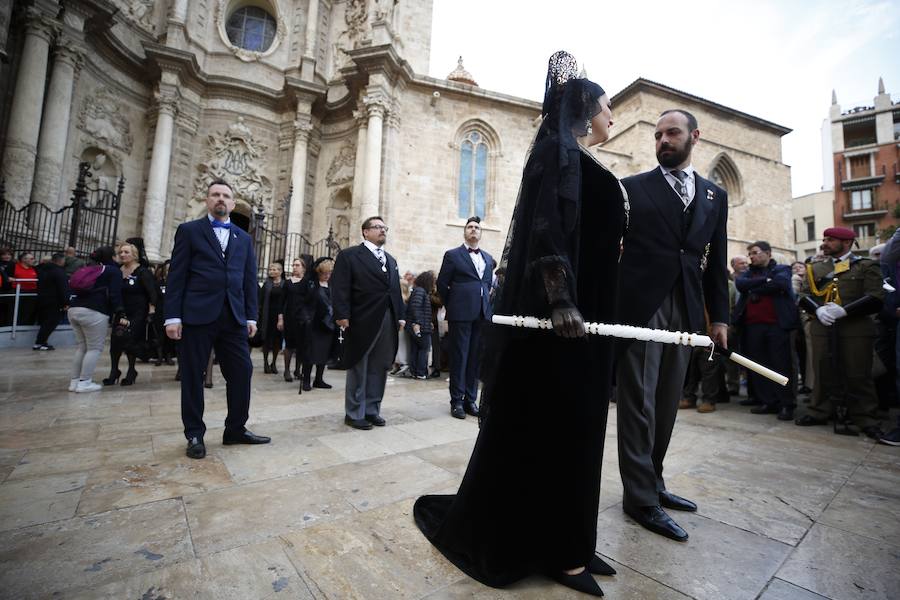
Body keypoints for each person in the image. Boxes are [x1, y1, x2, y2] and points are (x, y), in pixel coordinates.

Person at [414, 51, 624, 597]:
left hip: (591, 321)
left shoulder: (580, 157)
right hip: (562, 328)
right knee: (558, 434)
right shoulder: (556, 153)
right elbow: (547, 230)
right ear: (585, 109)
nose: (612, 118)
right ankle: (558, 552)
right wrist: (560, 299)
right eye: (607, 108)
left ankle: (573, 542)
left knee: (582, 434)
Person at [615, 108, 729, 543]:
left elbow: (715, 262)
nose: (662, 140)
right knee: (639, 404)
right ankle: (640, 498)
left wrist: (718, 317)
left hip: (688, 307)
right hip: (642, 309)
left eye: (672, 133)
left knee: (666, 402)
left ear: (693, 137)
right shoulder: (631, 189)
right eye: (657, 134)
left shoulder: (715, 196)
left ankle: (655, 483)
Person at [164, 179, 271, 459]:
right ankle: (195, 434)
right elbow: (177, 276)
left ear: (233, 204)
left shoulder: (243, 238)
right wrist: (172, 317)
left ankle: (235, 428)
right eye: (215, 195)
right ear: (207, 200)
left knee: (242, 371)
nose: (220, 199)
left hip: (233, 317)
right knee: (193, 375)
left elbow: (249, 280)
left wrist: (251, 316)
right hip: (197, 314)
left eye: (225, 196)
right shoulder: (189, 231)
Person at [796, 227, 884, 438]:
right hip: (822, 326)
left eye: (830, 240)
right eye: (824, 238)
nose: (824, 243)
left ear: (846, 242)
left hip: (855, 328)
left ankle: (865, 416)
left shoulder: (865, 266)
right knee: (822, 370)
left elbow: (875, 297)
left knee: (858, 372)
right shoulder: (815, 267)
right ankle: (819, 410)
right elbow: (803, 295)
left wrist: (845, 310)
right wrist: (817, 309)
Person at [331, 216, 404, 430]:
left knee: (380, 366)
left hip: (387, 318)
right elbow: (340, 287)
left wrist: (400, 315)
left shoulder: (390, 260)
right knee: (359, 365)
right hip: (360, 318)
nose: (383, 231)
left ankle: (372, 410)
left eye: (384, 228)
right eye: (378, 227)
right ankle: (354, 413)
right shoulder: (350, 255)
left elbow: (395, 291)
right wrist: (342, 314)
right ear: (365, 232)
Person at [437, 216, 495, 419]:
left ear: (481, 233)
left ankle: (471, 399)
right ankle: (457, 401)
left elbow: (487, 284)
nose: (473, 230)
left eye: (477, 227)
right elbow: (442, 284)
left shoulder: (488, 258)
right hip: (460, 313)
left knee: (475, 358)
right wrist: (453, 303)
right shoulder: (453, 255)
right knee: (460, 357)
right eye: (469, 227)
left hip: (481, 314)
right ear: (465, 232)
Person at [734, 241, 799, 420]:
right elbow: (740, 284)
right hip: (752, 327)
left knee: (781, 365)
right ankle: (768, 402)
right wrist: (764, 280)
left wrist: (755, 285)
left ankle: (786, 404)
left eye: (755, 253)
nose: (751, 257)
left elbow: (780, 284)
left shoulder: (782, 269)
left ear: (768, 253)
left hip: (777, 326)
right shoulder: (748, 273)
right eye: (750, 254)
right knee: (759, 366)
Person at [67, 246, 124, 392]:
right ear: (111, 257)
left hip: (74, 309)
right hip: (94, 311)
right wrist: (119, 311)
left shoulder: (89, 268)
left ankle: (74, 382)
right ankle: (85, 382)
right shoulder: (113, 271)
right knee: (94, 348)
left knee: (82, 347)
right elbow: (115, 294)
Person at [103, 242, 157, 386]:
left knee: (129, 339)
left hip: (137, 312)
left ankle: (131, 370)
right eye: (121, 252)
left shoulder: (142, 271)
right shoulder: (117, 271)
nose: (122, 255)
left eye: (126, 252)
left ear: (134, 255)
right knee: (115, 340)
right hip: (121, 311)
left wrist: (152, 310)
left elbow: (152, 292)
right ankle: (114, 370)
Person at [302, 257, 336, 392]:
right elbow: (304, 303)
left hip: (328, 325)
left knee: (324, 353)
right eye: (324, 273)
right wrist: (305, 318)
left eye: (329, 273)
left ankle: (319, 379)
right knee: (310, 353)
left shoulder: (332, 286)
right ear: (319, 272)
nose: (327, 276)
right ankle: (306, 380)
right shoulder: (312, 285)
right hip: (314, 324)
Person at [278, 257, 312, 382]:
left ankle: (298, 370)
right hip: (290, 317)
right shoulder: (287, 283)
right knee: (289, 345)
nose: (294, 267)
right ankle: (287, 370)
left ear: (303, 267)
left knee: (301, 345)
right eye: (293, 265)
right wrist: (280, 319)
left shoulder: (308, 282)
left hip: (302, 318)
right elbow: (282, 302)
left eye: (297, 265)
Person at [33, 252, 68, 350]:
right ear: (61, 261)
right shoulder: (59, 272)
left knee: (45, 322)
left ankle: (41, 342)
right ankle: (40, 343)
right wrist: (66, 302)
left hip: (42, 298)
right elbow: (63, 288)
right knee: (51, 322)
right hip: (54, 301)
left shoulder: (42, 269)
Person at [406, 270, 436, 379]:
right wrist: (417, 323)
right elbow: (416, 308)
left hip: (420, 325)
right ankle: (421, 372)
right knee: (424, 348)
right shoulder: (420, 291)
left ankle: (415, 371)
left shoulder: (418, 290)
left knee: (415, 349)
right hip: (420, 326)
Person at [257, 262, 285, 374]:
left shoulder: (284, 284)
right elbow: (261, 300)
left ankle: (273, 363)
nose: (272, 271)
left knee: (277, 340)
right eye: (270, 269)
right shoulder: (267, 284)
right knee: (267, 340)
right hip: (267, 315)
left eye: (274, 269)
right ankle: (265, 363)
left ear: (280, 271)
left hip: (280, 315)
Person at [151, 261, 177, 366]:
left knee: (170, 338)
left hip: (172, 313)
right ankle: (159, 356)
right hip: (160, 312)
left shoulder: (176, 283)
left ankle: (168, 356)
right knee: (159, 336)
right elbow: (154, 298)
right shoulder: (158, 283)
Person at [11, 252, 38, 325]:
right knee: (16, 312)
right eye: (31, 259)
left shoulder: (34, 268)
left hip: (32, 293)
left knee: (29, 312)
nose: (34, 260)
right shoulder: (14, 267)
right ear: (24, 260)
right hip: (18, 293)